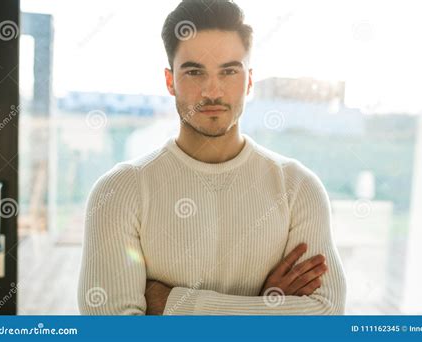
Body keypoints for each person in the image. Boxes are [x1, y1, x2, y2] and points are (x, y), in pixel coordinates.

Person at [78, 0, 346, 315]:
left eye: (229, 71)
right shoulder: (119, 191)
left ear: (248, 81)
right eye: (194, 72)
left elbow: (325, 313)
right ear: (170, 81)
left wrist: (172, 304)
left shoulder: (298, 187)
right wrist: (266, 305)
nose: (212, 91)